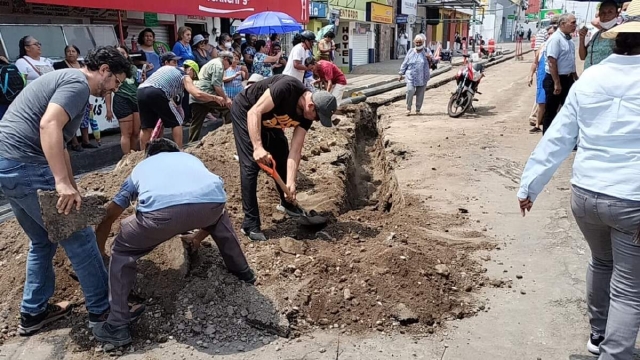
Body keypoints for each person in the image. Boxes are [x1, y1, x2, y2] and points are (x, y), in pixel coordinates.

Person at [517, 13, 640, 358]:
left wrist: (529, 187)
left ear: (615, 43)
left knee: (602, 262)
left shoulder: (591, 78)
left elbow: (558, 136)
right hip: (631, 201)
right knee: (630, 288)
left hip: (586, 196)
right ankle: (615, 353)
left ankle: (598, 336)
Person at [0, 46, 132, 336]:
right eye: (116, 82)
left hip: (9, 164)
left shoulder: (66, 80)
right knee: (81, 237)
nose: (113, 88)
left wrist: (72, 186)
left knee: (43, 240)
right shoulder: (77, 84)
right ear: (105, 70)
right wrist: (60, 183)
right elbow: (48, 126)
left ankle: (33, 313)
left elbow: (60, 144)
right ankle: (104, 315)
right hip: (26, 165)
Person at [92, 138, 256, 347]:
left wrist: (100, 253)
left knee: (122, 251)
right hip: (212, 205)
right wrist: (197, 237)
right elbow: (205, 201)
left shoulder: (142, 167)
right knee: (219, 218)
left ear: (148, 156)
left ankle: (117, 324)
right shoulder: (190, 158)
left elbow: (111, 214)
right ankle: (242, 270)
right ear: (176, 151)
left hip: (160, 216)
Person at [230, 75, 338, 241]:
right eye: (317, 117)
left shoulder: (306, 116)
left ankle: (287, 204)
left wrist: (291, 182)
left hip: (270, 122)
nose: (316, 121)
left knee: (282, 154)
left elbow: (295, 151)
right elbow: (255, 111)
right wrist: (258, 147)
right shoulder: (287, 87)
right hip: (247, 112)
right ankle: (250, 224)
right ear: (311, 106)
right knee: (250, 166)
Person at [137, 52, 223, 150]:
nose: (193, 80)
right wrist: (215, 98)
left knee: (147, 127)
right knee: (177, 122)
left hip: (141, 91)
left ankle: (143, 154)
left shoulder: (165, 69)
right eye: (194, 77)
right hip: (157, 91)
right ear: (190, 70)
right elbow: (197, 93)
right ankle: (179, 150)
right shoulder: (184, 75)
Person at [542, 13, 578, 134]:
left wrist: (575, 76)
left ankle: (567, 138)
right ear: (562, 24)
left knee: (570, 109)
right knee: (551, 110)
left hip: (567, 79)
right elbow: (552, 62)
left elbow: (570, 60)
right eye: (572, 23)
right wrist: (557, 83)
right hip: (554, 79)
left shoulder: (568, 40)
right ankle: (547, 138)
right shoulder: (555, 39)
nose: (575, 25)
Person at [189, 52, 234, 143]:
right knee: (229, 109)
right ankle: (228, 137)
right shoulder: (218, 65)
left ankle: (191, 143)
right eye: (229, 63)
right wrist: (226, 99)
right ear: (225, 59)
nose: (229, 66)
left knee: (196, 123)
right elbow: (217, 86)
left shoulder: (212, 62)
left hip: (196, 94)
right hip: (206, 93)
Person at [105, 46, 142, 155]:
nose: (121, 55)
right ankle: (126, 157)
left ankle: (134, 156)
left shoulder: (134, 69)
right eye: (118, 53)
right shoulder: (111, 71)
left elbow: (138, 84)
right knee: (126, 133)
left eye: (123, 53)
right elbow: (108, 91)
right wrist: (108, 110)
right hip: (122, 101)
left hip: (136, 101)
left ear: (127, 54)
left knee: (136, 132)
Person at [527, 25, 557, 134]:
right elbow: (535, 62)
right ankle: (537, 124)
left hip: (554, 77)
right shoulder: (542, 47)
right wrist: (530, 75)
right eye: (548, 33)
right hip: (541, 77)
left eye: (552, 33)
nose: (550, 35)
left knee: (553, 102)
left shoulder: (559, 46)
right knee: (541, 101)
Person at [399, 34, 433, 116]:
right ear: (414, 42)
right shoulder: (410, 51)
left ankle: (418, 109)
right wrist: (401, 73)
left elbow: (434, 62)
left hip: (423, 76)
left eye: (420, 42)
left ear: (423, 42)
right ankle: (408, 108)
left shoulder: (426, 51)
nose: (418, 44)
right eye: (416, 42)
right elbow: (405, 62)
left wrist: (429, 58)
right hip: (411, 75)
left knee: (420, 93)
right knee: (410, 90)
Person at [579, 0, 619, 70]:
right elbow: (582, 57)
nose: (606, 15)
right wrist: (582, 38)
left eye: (610, 12)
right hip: (590, 76)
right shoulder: (596, 34)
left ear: (617, 14)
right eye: (602, 12)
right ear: (599, 15)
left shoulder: (620, 34)